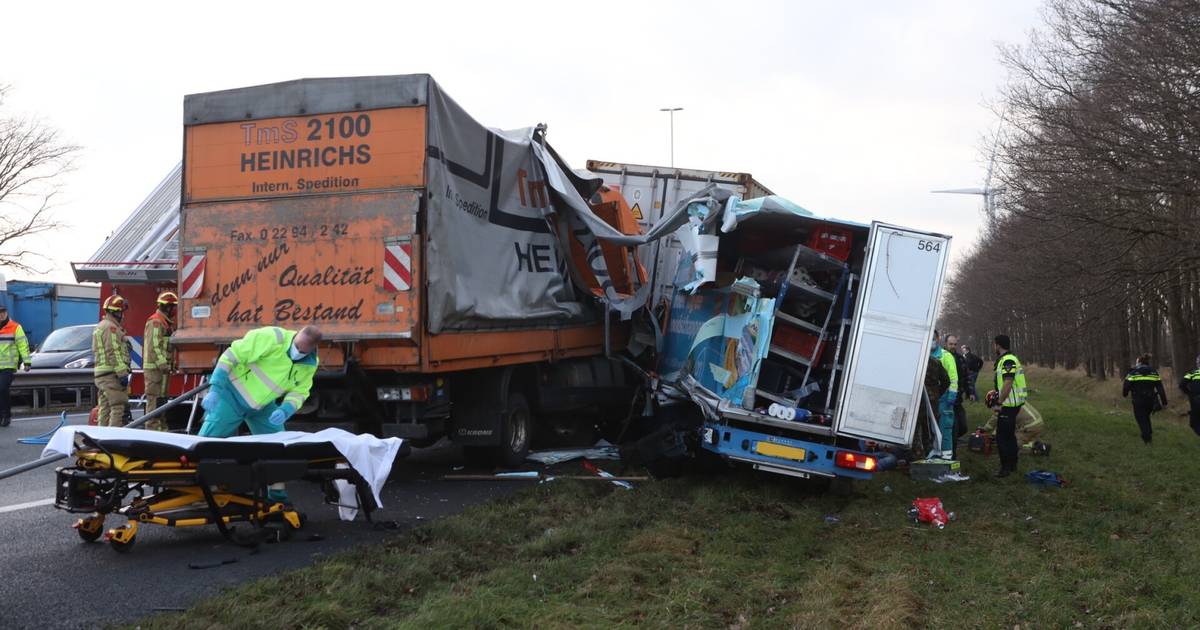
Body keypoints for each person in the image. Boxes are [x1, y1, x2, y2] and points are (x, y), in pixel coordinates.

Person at [198, 325, 322, 503]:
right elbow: (231, 355)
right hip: (231, 395)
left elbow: (300, 392)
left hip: (263, 406)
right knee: (206, 442)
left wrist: (286, 409)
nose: (297, 352)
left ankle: (277, 495)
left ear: (312, 349)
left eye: (302, 351)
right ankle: (199, 488)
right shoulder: (273, 338)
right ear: (296, 336)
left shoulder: (310, 363)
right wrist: (216, 388)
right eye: (296, 346)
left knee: (278, 445)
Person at [141, 291, 178, 431]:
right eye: (173, 307)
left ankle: (162, 431)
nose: (175, 310)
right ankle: (152, 432)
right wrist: (164, 365)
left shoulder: (165, 322)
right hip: (155, 371)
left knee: (161, 403)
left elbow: (166, 348)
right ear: (167, 307)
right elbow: (154, 346)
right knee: (154, 404)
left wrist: (170, 365)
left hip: (162, 371)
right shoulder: (156, 322)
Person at [92, 295, 131, 427]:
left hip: (101, 374)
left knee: (105, 408)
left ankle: (100, 437)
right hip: (111, 375)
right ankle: (113, 438)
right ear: (116, 312)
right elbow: (113, 351)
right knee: (117, 407)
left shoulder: (101, 326)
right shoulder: (111, 327)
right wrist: (122, 373)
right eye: (121, 312)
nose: (122, 315)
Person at [992, 334, 1027, 477]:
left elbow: (1008, 383)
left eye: (994, 344)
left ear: (998, 345)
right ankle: (1012, 466)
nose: (994, 347)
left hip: (1009, 404)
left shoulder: (1008, 360)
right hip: (1012, 403)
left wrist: (999, 402)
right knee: (1009, 436)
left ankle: (1005, 469)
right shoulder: (1006, 359)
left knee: (1002, 437)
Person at [1122, 353, 1167, 445]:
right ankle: (1148, 432)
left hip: (1138, 400)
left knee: (1140, 418)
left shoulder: (1133, 373)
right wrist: (1164, 402)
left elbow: (1126, 386)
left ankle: (1147, 437)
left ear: (1139, 363)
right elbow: (1160, 388)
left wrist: (1125, 394)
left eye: (1136, 362)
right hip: (1150, 400)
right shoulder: (1154, 372)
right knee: (1146, 416)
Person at [0, 304, 32, 427]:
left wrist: (27, 362)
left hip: (8, 366)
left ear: (7, 313)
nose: (1, 314)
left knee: (2, 389)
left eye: (3, 312)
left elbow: (23, 345)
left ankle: (6, 416)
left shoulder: (15, 327)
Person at [930, 331, 958, 459]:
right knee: (932, 430)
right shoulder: (925, 355)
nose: (932, 341)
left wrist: (952, 396)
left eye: (933, 338)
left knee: (945, 428)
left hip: (945, 398)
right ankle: (935, 454)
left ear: (938, 339)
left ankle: (946, 458)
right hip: (931, 400)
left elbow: (953, 378)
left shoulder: (946, 356)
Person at [945, 334, 968, 449]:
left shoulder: (960, 359)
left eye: (955, 344)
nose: (953, 346)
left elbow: (966, 376)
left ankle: (953, 438)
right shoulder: (941, 357)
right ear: (946, 344)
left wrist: (970, 392)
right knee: (953, 427)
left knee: (963, 427)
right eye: (951, 344)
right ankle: (951, 446)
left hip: (958, 398)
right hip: (946, 400)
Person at [1179, 355, 1200, 437]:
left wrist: (1189, 393)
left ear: (1197, 363)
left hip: (1196, 400)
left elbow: (1182, 384)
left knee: (1193, 423)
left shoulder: (1192, 373)